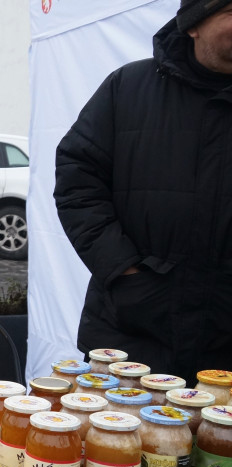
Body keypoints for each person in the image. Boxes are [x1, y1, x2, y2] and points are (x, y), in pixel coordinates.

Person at [54, 0, 232, 381]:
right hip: (131, 335)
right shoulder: (128, 88)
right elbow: (77, 182)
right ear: (193, 25)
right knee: (118, 440)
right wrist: (125, 273)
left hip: (224, 347)